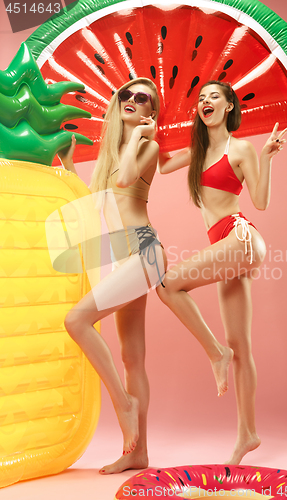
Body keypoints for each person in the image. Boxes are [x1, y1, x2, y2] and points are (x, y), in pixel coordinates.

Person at [157, 80, 287, 465]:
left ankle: (215, 352)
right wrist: (155, 126)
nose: (205, 102)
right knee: (242, 352)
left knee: (168, 283)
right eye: (200, 99)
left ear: (229, 106)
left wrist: (266, 156)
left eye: (214, 96)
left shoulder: (240, 148)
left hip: (240, 236)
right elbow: (163, 165)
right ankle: (247, 433)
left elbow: (260, 202)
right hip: (225, 250)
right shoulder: (197, 151)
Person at [58, 78, 166, 474]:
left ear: (151, 112)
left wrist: (138, 135)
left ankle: (123, 404)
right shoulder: (110, 153)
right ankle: (138, 452)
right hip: (119, 255)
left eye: (143, 99)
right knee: (131, 356)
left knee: (77, 319)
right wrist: (70, 165)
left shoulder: (148, 146)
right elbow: (93, 208)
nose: (132, 101)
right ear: (116, 101)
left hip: (144, 251)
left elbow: (124, 181)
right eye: (127, 95)